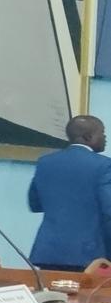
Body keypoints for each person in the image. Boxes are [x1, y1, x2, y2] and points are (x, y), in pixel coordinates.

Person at [28, 115, 111, 270]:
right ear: (88, 136)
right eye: (102, 132)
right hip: (90, 255)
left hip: (48, 252)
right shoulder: (105, 165)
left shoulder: (45, 162)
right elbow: (109, 211)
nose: (105, 137)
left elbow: (35, 204)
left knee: (52, 288)